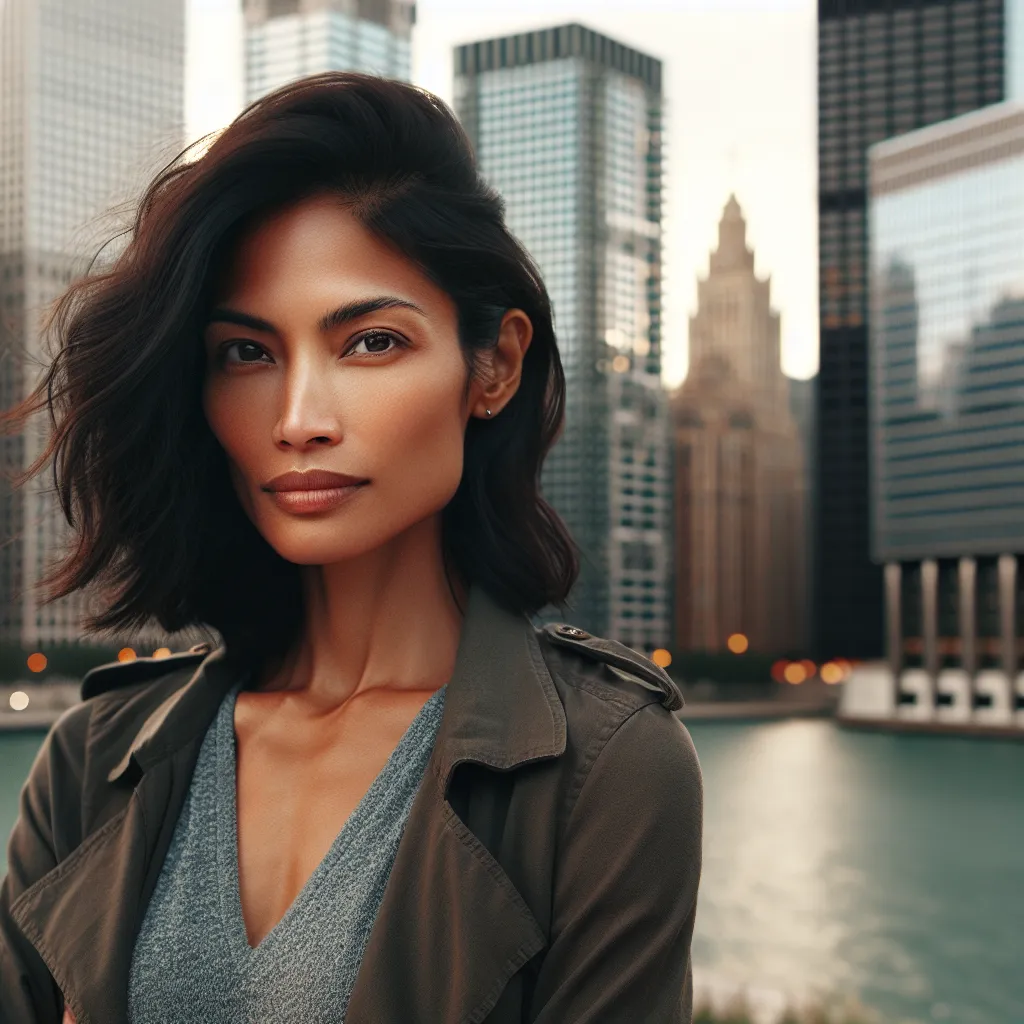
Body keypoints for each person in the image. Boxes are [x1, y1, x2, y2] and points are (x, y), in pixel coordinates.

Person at [0, 72, 703, 1023]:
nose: (298, 420)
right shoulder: (95, 760)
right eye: (247, 353)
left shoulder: (605, 771)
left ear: (491, 365)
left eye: (370, 342)